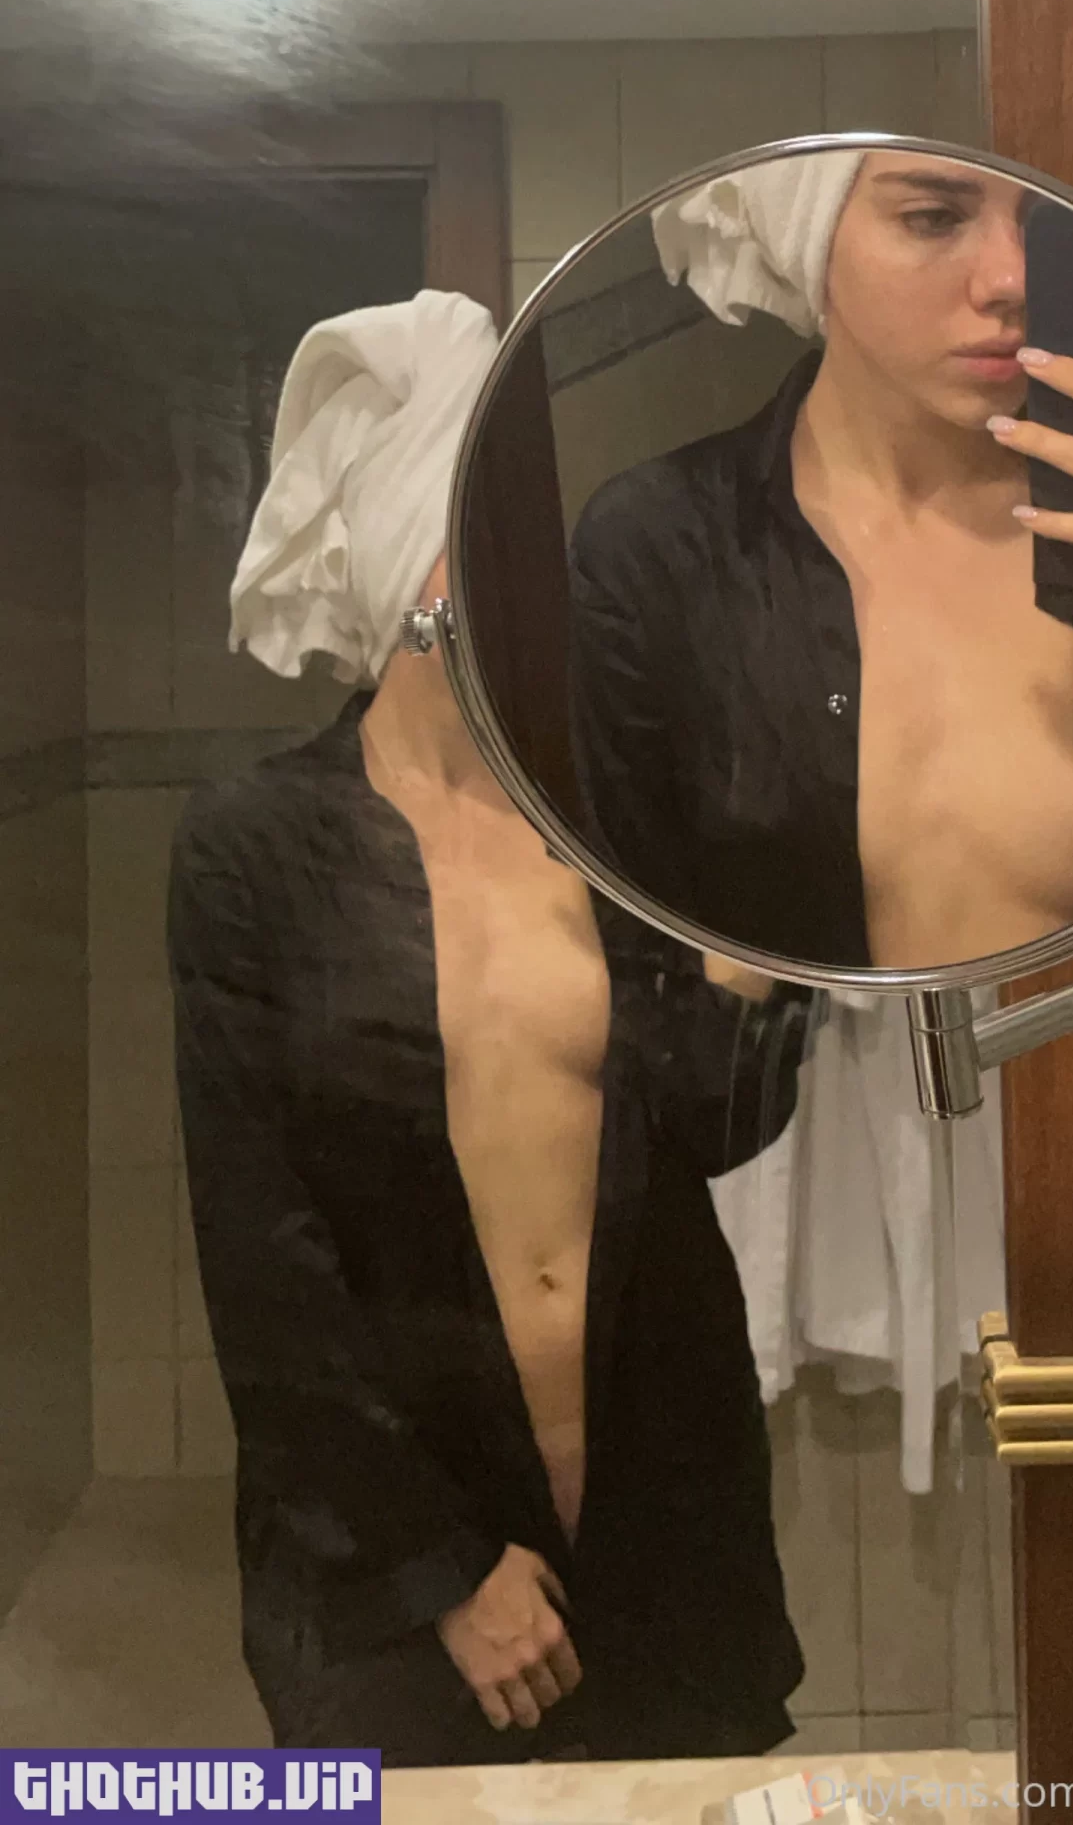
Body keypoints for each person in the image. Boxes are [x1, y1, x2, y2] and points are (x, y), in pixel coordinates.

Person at [169, 291, 808, 1767]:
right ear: (410, 550)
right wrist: (435, 1570)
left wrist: (760, 921)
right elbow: (263, 1263)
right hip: (394, 1561)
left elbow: (716, 1121)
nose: (540, 561)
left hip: (661, 1524)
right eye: (492, 524)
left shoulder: (615, 823)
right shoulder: (256, 849)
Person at [567, 149, 1073, 977]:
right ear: (811, 241)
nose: (1011, 280)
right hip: (790, 1067)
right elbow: (639, 950)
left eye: (1046, 226)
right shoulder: (660, 546)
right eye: (933, 219)